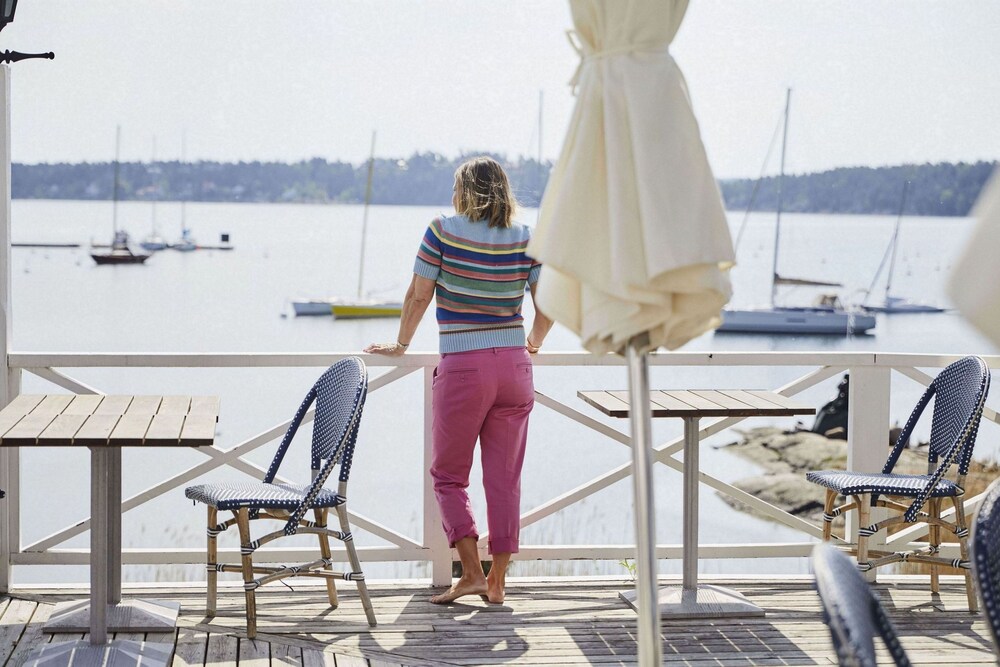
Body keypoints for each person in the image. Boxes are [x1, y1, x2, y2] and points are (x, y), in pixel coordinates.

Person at [365, 156, 553, 604]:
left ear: (464, 190)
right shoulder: (528, 238)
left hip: (465, 367)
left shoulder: (443, 230)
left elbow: (418, 294)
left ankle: (470, 572)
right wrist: (533, 342)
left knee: (450, 476)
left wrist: (402, 343)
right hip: (514, 368)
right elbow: (549, 304)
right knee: (505, 479)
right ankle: (497, 581)